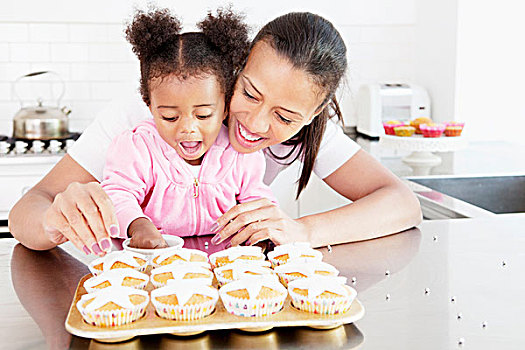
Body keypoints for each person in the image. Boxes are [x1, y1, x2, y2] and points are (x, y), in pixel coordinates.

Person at [9, 10, 422, 255]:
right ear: (235, 69)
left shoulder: (306, 129)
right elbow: (24, 213)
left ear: (314, 114)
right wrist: (55, 221)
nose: (257, 125)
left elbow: (403, 203)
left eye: (285, 117)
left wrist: (303, 231)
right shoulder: (154, 112)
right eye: (250, 93)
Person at [101, 8, 275, 252]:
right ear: (150, 106)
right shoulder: (138, 148)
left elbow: (256, 197)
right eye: (170, 117)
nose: (187, 128)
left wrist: (261, 226)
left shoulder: (239, 153)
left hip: (224, 266)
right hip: (157, 260)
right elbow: (117, 194)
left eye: (203, 115)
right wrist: (137, 224)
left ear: (226, 107)